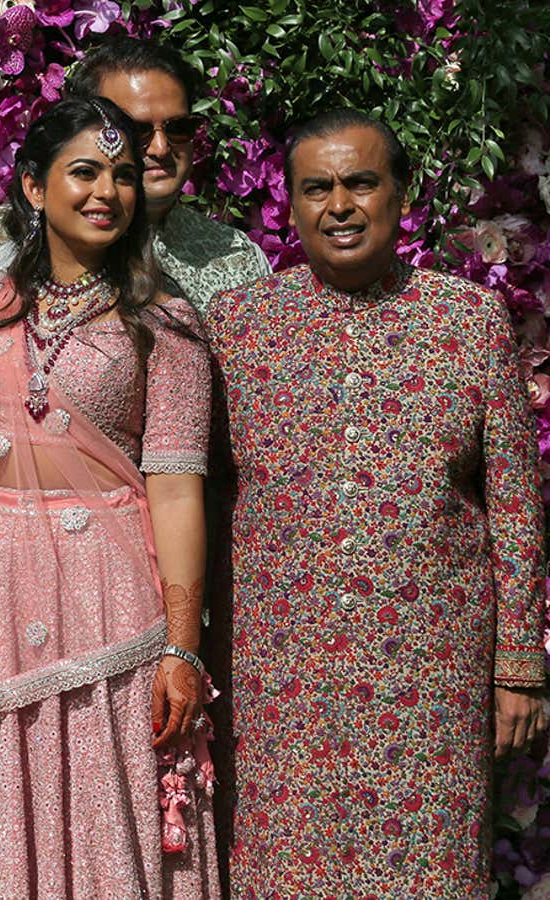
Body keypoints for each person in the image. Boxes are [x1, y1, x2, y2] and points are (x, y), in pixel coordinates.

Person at [207, 109, 547, 898]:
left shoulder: (468, 322)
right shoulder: (239, 326)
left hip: (432, 671)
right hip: (282, 675)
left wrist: (520, 669)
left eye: (361, 183)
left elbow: (518, 504)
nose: (340, 206)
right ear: (289, 206)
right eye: (316, 188)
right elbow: (205, 492)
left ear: (401, 196)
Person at [0, 97, 220, 898]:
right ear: (31, 187)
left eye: (123, 176)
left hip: (112, 606)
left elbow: (179, 491)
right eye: (84, 172)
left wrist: (182, 646)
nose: (106, 192)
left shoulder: (165, 325)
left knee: (105, 814)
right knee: (1, 807)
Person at [0, 36, 271, 318]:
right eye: (136, 131)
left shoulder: (238, 258)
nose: (161, 147)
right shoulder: (9, 277)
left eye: (179, 128)